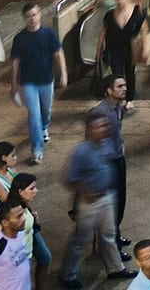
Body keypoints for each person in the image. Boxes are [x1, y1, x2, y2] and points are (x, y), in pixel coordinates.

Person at [59, 112, 132, 287]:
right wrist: (85, 193)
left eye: (106, 126)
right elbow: (69, 177)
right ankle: (68, 275)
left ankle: (115, 268)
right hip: (89, 202)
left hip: (107, 196)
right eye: (101, 126)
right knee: (80, 239)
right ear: (90, 129)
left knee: (109, 234)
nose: (105, 129)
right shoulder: (81, 151)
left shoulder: (105, 144)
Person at [8, 3, 65, 164]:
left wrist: (64, 72)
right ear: (24, 19)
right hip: (28, 82)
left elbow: (58, 53)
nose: (32, 19)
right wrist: (13, 85)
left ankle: (44, 126)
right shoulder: (20, 38)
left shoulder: (48, 34)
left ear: (39, 15)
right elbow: (15, 61)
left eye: (34, 15)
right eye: (28, 16)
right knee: (34, 114)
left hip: (46, 79)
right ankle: (37, 149)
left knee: (45, 110)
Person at [92, 75, 132, 247]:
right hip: (107, 163)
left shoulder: (118, 108)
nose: (124, 88)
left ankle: (116, 233)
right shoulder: (100, 112)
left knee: (120, 199)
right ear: (109, 90)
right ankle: (111, 241)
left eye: (124, 85)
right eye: (119, 86)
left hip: (118, 158)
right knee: (112, 202)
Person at [96, 0, 146, 109]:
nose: (119, 1)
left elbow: (143, 30)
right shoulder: (110, 14)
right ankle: (118, 97)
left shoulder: (135, 12)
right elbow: (103, 32)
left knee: (130, 73)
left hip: (130, 48)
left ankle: (129, 98)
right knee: (117, 74)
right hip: (114, 48)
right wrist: (98, 49)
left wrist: (144, 48)